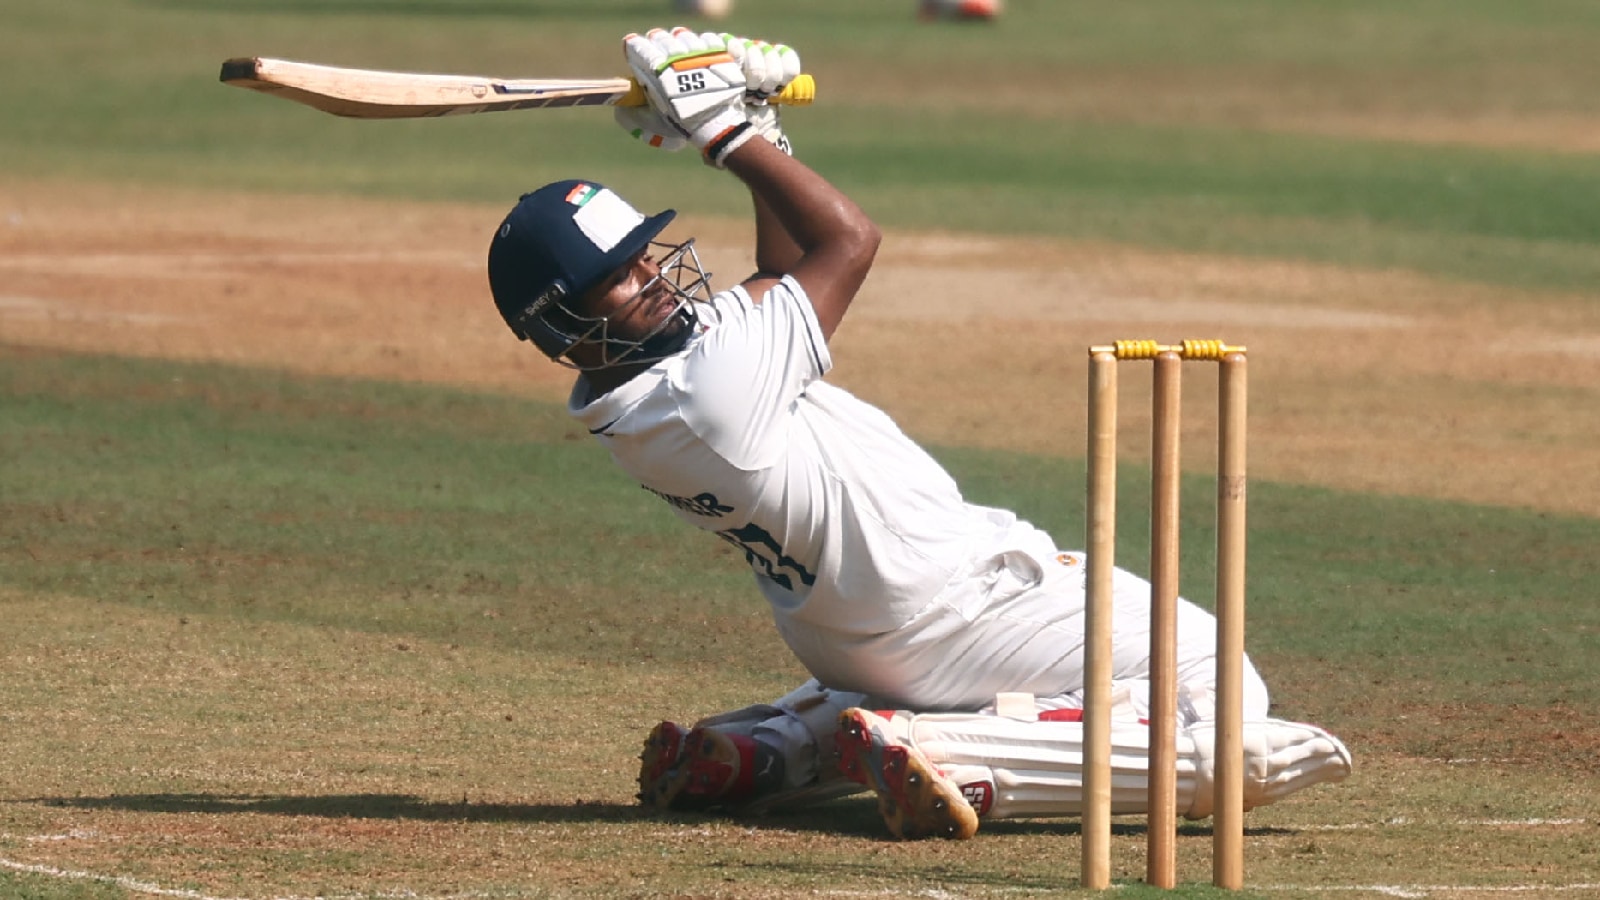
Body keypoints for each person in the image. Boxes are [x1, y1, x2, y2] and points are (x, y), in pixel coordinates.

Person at [485, 27, 1351, 840]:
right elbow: (846, 241)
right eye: (621, 278)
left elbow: (784, 273)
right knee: (1227, 697)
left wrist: (759, 126)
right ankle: (961, 759)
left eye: (644, 253)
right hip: (949, 605)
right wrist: (719, 129)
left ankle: (773, 751)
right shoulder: (707, 392)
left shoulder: (644, 385)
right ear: (563, 323)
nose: (655, 277)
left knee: (1116, 674)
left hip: (857, 630)